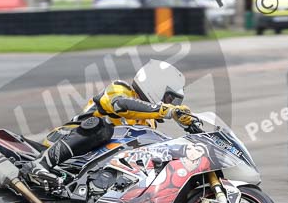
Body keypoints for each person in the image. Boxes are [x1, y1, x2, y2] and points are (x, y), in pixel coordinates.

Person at [22, 60, 193, 184]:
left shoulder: (149, 124)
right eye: (169, 99)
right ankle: (40, 165)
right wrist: (164, 110)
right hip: (66, 140)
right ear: (156, 85)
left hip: (94, 164)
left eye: (174, 103)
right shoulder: (121, 89)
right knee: (102, 127)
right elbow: (120, 105)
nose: (171, 104)